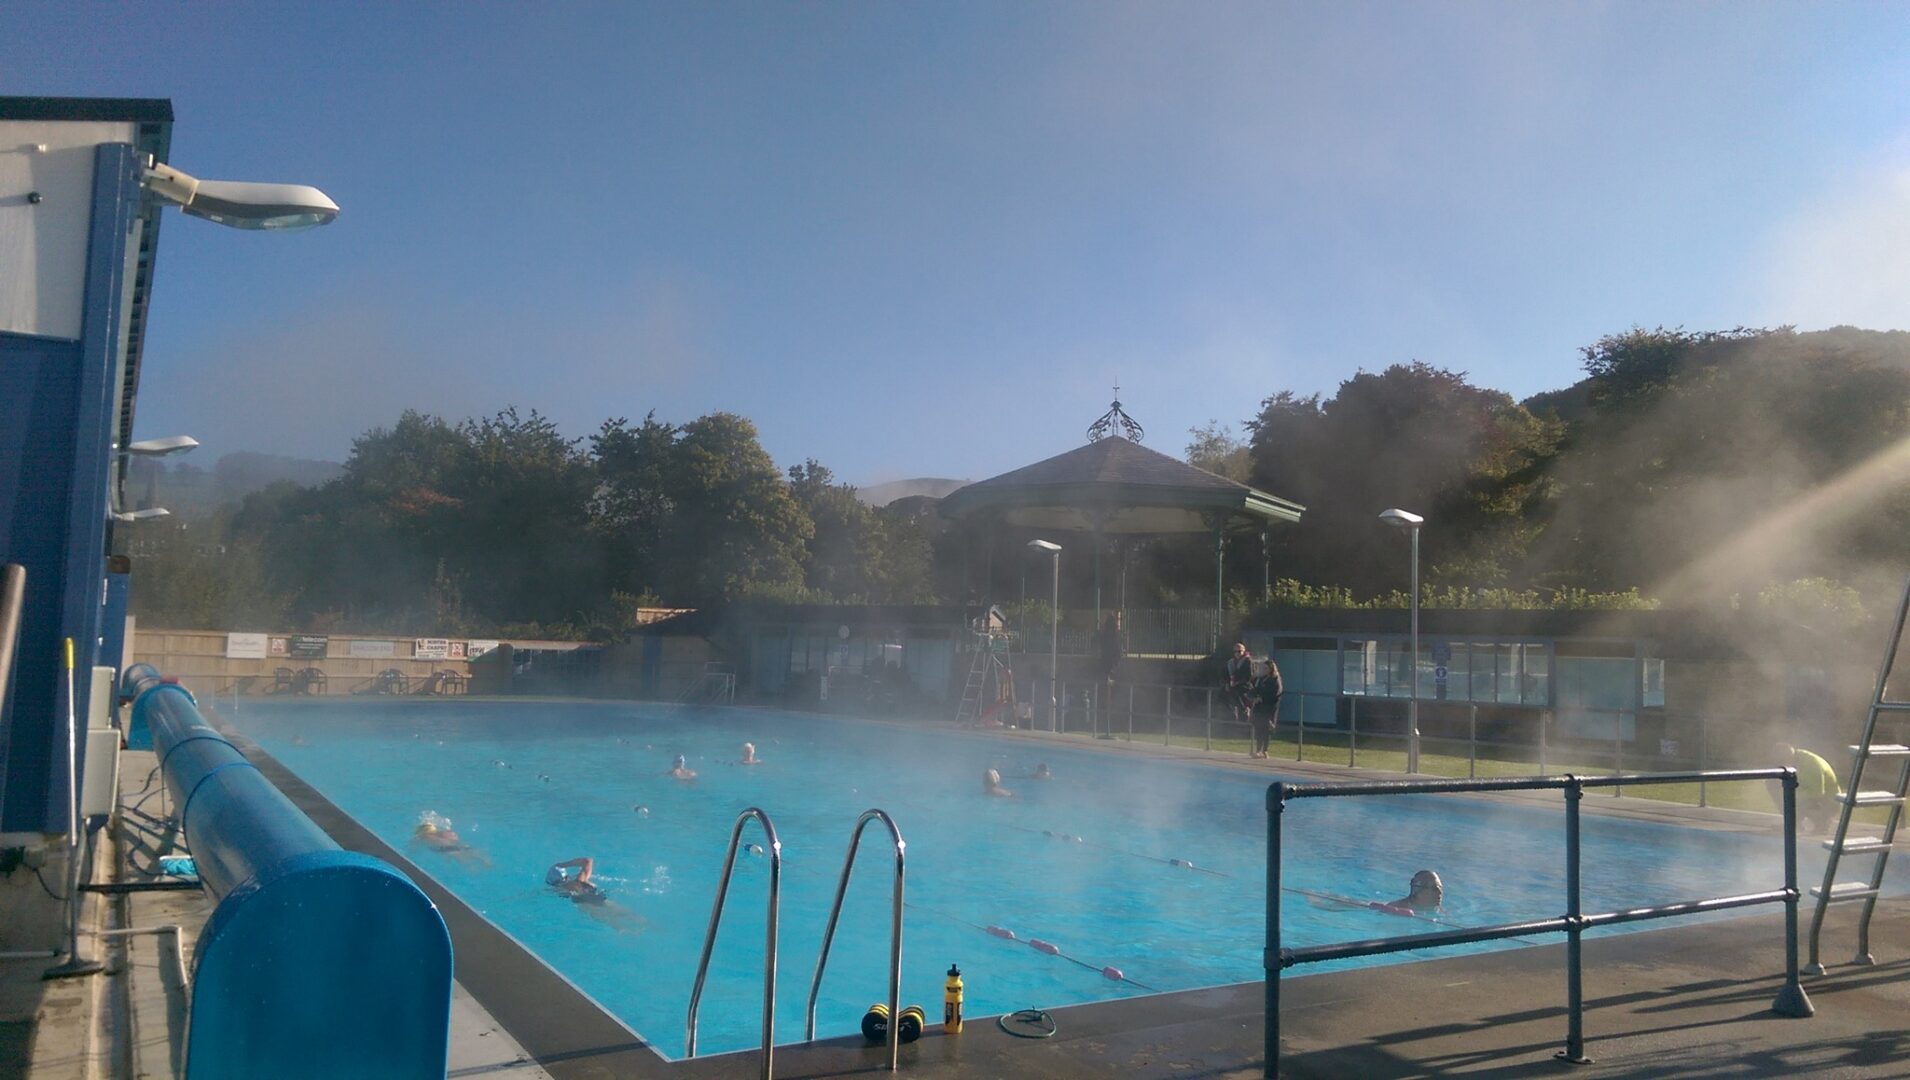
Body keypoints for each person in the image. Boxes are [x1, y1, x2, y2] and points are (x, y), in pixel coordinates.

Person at [1773, 744, 1843, 831]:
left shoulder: (1810, 764)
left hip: (1828, 802)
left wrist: (1791, 797)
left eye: (1781, 761)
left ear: (1788, 758)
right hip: (1811, 797)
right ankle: (1793, 823)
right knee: (1772, 784)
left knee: (1790, 797)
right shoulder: (1796, 762)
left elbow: (1817, 794)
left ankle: (1822, 821)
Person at [1094, 612, 1126, 738]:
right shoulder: (1115, 635)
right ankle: (1108, 725)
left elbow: (1099, 643)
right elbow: (1118, 652)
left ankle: (1106, 724)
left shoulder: (1105, 634)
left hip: (1105, 665)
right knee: (1110, 695)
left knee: (1105, 694)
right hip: (1111, 666)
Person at [1249, 658, 1284, 759]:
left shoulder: (1276, 680)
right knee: (1258, 728)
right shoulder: (1261, 679)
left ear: (1271, 668)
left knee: (1266, 728)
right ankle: (1258, 750)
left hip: (1269, 708)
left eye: (1266, 668)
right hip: (1259, 708)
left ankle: (1265, 750)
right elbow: (1254, 690)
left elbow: (1276, 694)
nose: (1264, 670)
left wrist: (1262, 698)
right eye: (1263, 668)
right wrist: (1254, 697)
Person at [1373, 870, 1444, 916]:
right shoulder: (1393, 909)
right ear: (1418, 891)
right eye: (1434, 888)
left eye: (1441, 888)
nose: (1440, 892)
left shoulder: (1440, 911)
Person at [1223, 640, 1255, 727]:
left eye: (1239, 651)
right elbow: (1226, 674)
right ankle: (1234, 712)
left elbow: (1249, 676)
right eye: (1235, 651)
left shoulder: (1248, 661)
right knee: (1223, 695)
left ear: (1243, 651)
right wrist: (1227, 683)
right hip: (1233, 685)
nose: (1237, 653)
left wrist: (1237, 682)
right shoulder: (1231, 662)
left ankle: (1244, 710)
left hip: (1244, 685)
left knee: (1237, 693)